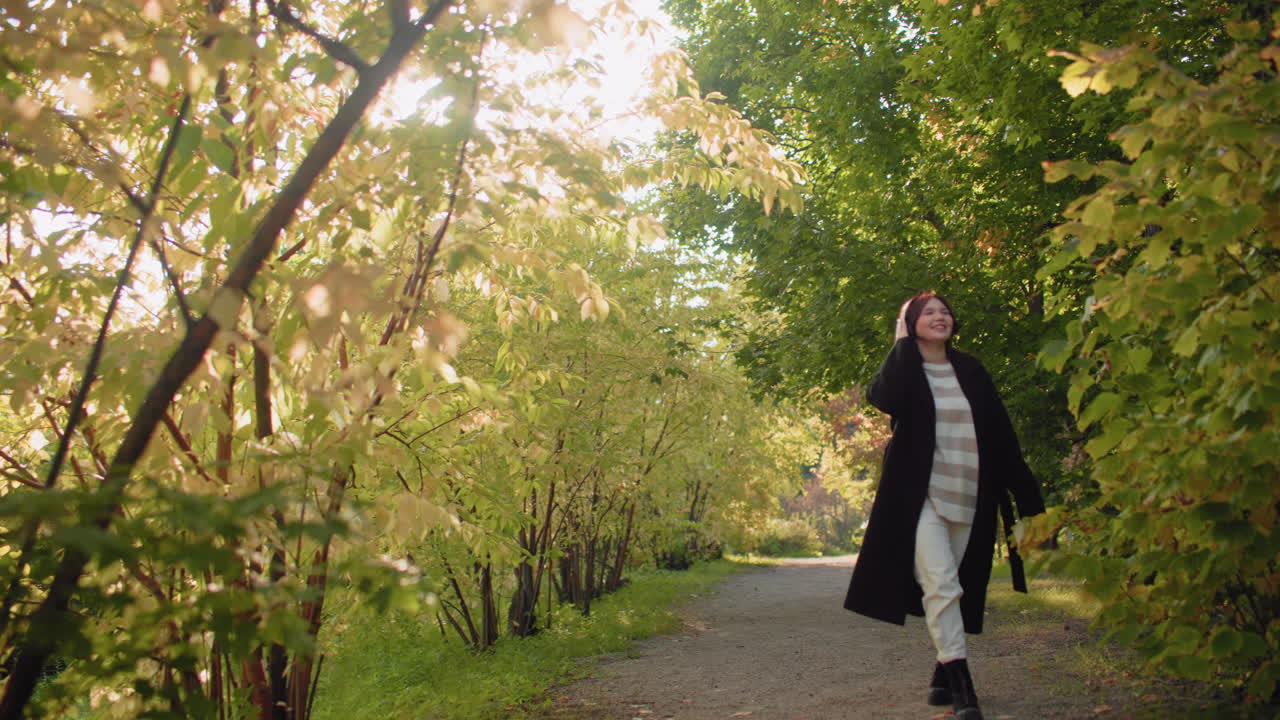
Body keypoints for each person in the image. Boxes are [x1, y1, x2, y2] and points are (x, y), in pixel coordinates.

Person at [843, 292, 1045, 720]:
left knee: (959, 584)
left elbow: (1001, 436)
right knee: (941, 583)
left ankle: (941, 670)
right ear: (911, 323)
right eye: (927, 313)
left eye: (945, 311)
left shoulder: (970, 370)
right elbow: (883, 398)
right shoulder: (906, 371)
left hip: (971, 493)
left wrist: (1028, 497)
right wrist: (900, 343)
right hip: (920, 498)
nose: (940, 317)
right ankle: (962, 686)